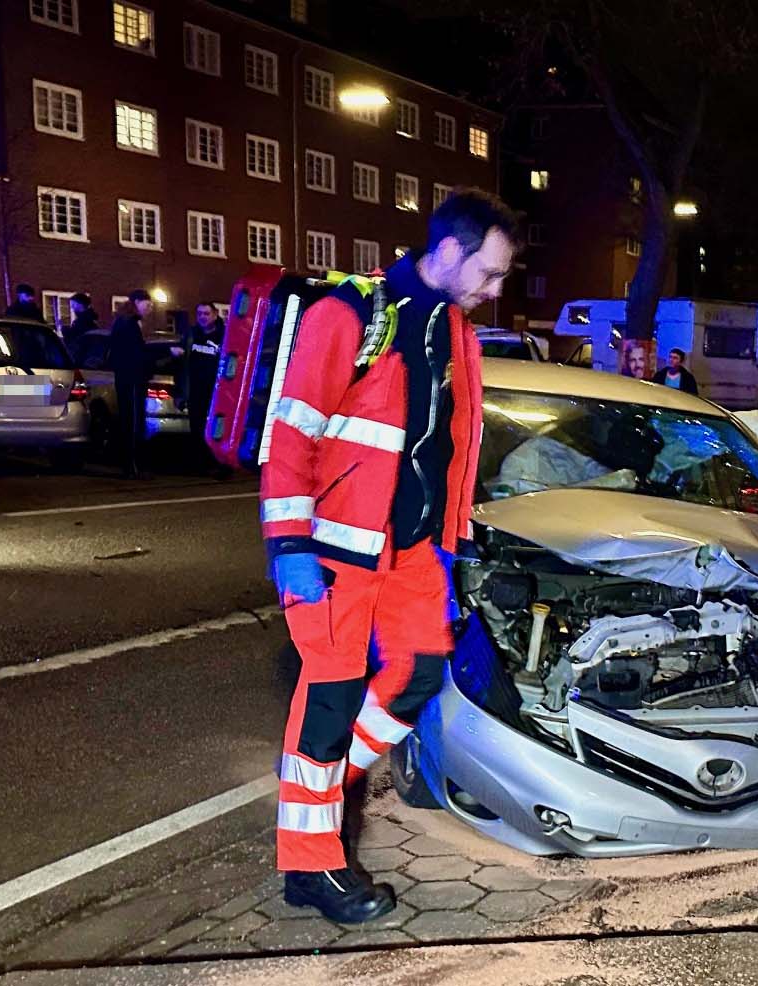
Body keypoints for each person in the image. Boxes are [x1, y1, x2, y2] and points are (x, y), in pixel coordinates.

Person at [261, 188, 520, 923]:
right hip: (334, 551)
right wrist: (288, 548)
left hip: (411, 552)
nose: (494, 291)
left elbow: (451, 450)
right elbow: (288, 437)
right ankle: (312, 866)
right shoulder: (349, 314)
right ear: (447, 251)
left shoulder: (455, 332)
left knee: (417, 674)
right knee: (331, 699)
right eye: (490, 273)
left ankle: (316, 789)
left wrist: (454, 547)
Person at [109, 290, 153, 479]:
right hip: (132, 378)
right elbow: (137, 352)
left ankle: (130, 464)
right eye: (147, 304)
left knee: (128, 419)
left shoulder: (122, 322)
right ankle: (132, 466)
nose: (150, 309)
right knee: (133, 420)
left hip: (125, 377)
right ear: (137, 302)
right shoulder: (130, 324)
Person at [186, 302, 225, 467]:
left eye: (206, 313)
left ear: (215, 315)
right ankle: (200, 462)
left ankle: (219, 462)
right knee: (197, 427)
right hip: (196, 390)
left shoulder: (224, 336)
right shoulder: (192, 335)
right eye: (199, 313)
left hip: (217, 391)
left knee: (216, 428)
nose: (202, 317)